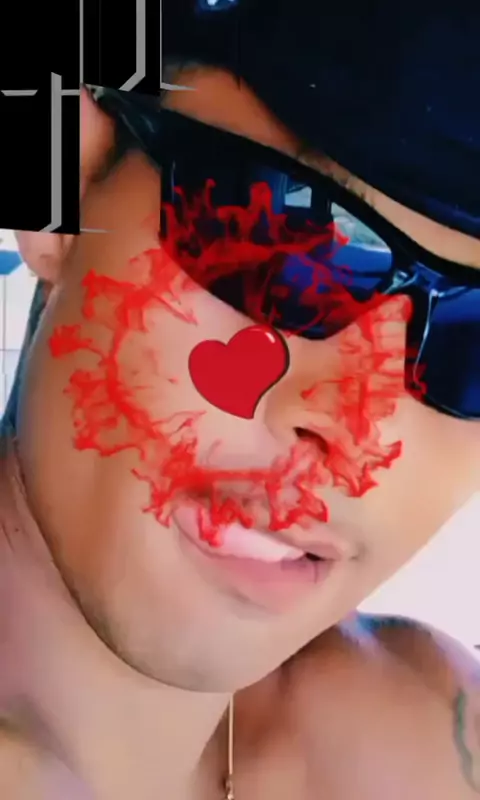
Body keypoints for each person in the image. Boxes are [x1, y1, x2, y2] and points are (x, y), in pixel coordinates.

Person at [2, 2, 480, 797]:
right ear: (65, 186)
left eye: (474, 343)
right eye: (289, 248)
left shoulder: (430, 739)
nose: (356, 430)